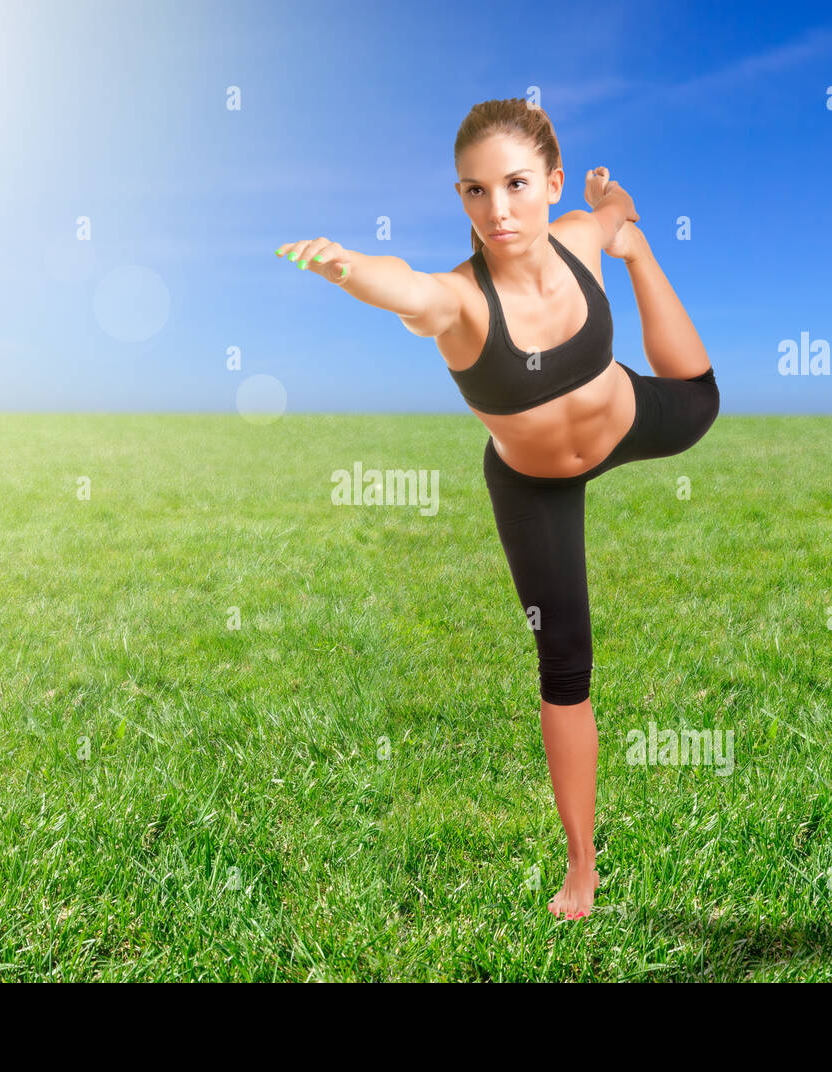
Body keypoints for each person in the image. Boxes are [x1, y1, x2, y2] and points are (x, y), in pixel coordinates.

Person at [274, 98, 720, 922]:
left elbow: (609, 214)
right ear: (461, 198)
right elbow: (401, 282)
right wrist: (343, 265)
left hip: (628, 421)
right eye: (475, 192)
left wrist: (620, 218)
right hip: (532, 481)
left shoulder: (580, 237)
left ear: (549, 184)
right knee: (565, 666)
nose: (498, 210)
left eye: (516, 184)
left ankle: (648, 258)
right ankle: (582, 867)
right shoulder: (458, 302)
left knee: (701, 397)